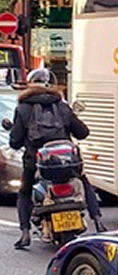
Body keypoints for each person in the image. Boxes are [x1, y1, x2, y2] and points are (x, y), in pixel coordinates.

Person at [8, 68, 105, 249]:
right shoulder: (62, 106)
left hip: (36, 163)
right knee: (84, 182)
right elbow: (83, 132)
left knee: (24, 192)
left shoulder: (23, 108)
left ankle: (25, 232)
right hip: (67, 161)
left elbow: (14, 141)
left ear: (30, 85)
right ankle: (98, 221)